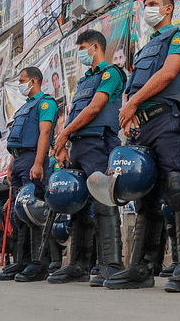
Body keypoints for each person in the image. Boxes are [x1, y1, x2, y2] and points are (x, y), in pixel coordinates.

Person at [107, 0, 180, 292]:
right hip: (143, 127)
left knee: (177, 187)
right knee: (145, 195)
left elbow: (168, 74)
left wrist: (132, 104)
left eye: (153, 5)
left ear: (168, 9)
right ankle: (142, 268)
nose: (147, 10)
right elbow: (134, 88)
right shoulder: (146, 47)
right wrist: (130, 115)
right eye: (145, 5)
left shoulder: (179, 36)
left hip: (167, 119)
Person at [52, 30, 125, 286]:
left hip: (99, 142)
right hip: (79, 147)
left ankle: (112, 263)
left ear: (96, 47)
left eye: (83, 48)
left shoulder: (111, 73)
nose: (80, 53)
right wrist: (63, 143)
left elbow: (95, 108)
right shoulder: (84, 81)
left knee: (104, 201)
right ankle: (79, 265)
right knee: (79, 206)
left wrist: (64, 134)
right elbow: (74, 115)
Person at [0, 67, 58, 283]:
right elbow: (16, 141)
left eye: (22, 81)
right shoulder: (24, 108)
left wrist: (39, 163)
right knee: (18, 213)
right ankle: (21, 260)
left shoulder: (46, 103)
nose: (20, 85)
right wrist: (12, 166)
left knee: (34, 210)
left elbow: (45, 133)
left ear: (33, 81)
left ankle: (39, 262)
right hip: (20, 161)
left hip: (34, 158)